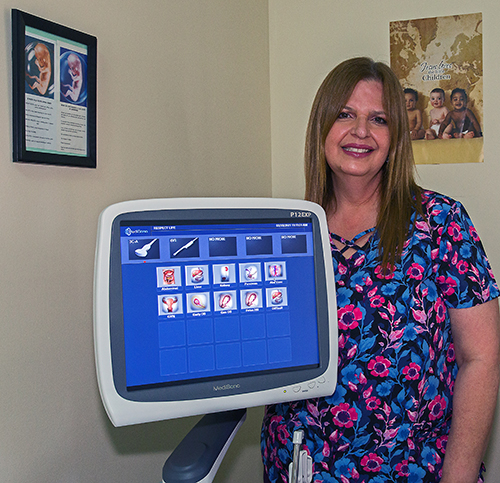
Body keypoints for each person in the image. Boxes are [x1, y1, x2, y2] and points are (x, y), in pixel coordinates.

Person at [261, 57, 500, 483]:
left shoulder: (440, 222)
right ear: (322, 127)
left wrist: (460, 472)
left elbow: (482, 357)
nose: (360, 131)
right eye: (345, 114)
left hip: (417, 469)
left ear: (395, 138)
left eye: (379, 119)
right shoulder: (285, 231)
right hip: (300, 464)